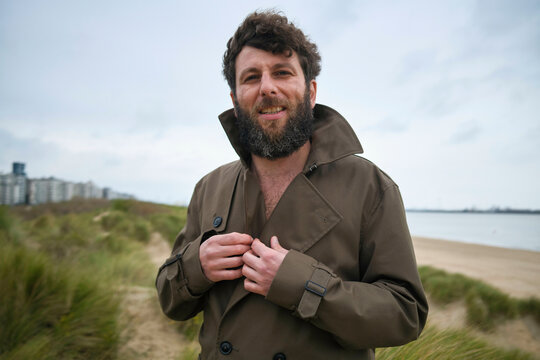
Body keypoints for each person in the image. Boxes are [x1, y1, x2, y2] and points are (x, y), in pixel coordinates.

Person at [156, 10, 428, 360]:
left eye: (282, 73)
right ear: (235, 102)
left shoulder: (371, 187)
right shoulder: (209, 187)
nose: (267, 87)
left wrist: (302, 285)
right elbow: (169, 300)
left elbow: (405, 315)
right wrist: (197, 265)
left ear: (310, 91)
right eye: (251, 77)